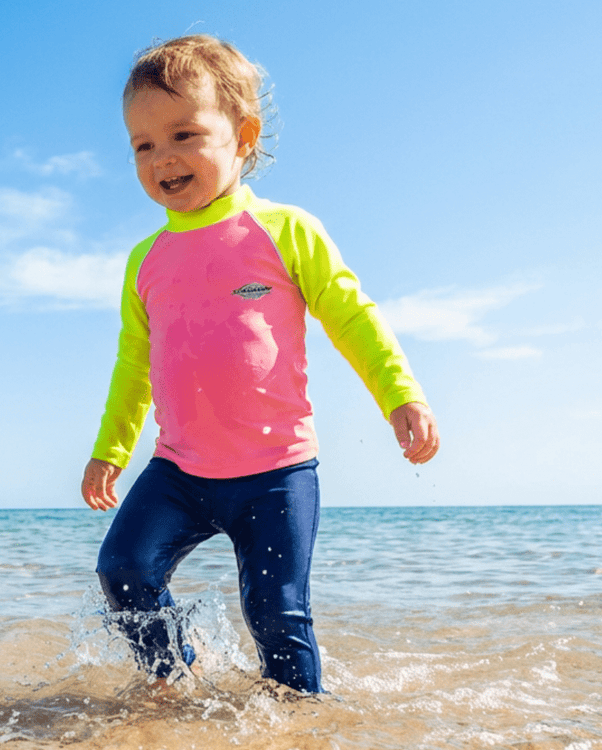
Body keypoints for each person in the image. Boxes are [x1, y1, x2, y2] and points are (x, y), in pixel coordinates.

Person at [81, 34, 439, 693]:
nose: (164, 158)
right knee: (123, 568)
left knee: (278, 613)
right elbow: (134, 365)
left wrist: (400, 395)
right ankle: (173, 683)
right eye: (143, 144)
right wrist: (111, 448)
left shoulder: (285, 230)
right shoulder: (145, 261)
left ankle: (303, 731)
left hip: (276, 473)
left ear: (243, 136)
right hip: (179, 470)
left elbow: (351, 315)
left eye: (184, 133)